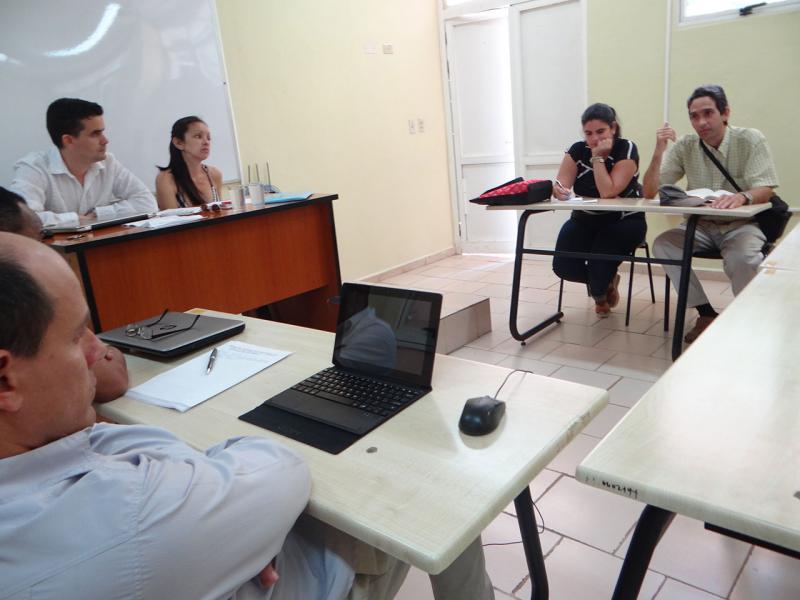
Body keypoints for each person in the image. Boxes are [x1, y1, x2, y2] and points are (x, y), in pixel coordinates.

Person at [0, 232, 494, 600]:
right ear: (6, 380)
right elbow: (281, 468)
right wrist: (246, 528)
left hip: (226, 530)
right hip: (311, 577)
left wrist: (221, 521)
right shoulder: (133, 514)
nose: (95, 348)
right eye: (76, 335)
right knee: (445, 504)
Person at [644, 84, 779, 343]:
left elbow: (766, 188)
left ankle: (749, 317)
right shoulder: (686, 145)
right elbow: (649, 191)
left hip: (742, 225)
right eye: (694, 116)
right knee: (664, 244)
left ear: (725, 113)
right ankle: (705, 313)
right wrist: (659, 150)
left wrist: (741, 196)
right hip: (700, 226)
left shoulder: (750, 139)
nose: (701, 122)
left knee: (745, 259)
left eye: (708, 113)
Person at [0, 187, 129, 403]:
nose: (49, 251)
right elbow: (111, 380)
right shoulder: (22, 298)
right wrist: (109, 351)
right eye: (39, 241)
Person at [551, 103, 646, 317]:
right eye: (588, 133)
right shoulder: (576, 150)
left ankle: (600, 288)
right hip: (586, 219)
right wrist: (559, 190)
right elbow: (562, 184)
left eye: (601, 131)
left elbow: (608, 192)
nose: (594, 139)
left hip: (623, 221)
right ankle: (604, 282)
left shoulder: (626, 148)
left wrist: (597, 158)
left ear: (613, 128)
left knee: (598, 267)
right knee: (562, 266)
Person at [11, 98, 157, 228]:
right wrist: (75, 219)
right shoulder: (33, 168)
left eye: (102, 132)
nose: (105, 141)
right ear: (68, 140)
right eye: (95, 134)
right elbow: (24, 219)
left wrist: (98, 215)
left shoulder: (108, 162)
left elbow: (147, 203)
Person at [156, 116, 224, 209]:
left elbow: (221, 214)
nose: (206, 142)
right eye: (198, 136)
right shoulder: (166, 179)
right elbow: (170, 221)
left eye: (208, 138)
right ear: (179, 143)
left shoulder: (215, 174)